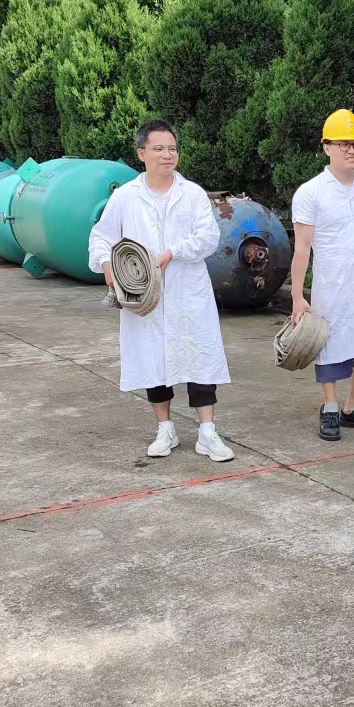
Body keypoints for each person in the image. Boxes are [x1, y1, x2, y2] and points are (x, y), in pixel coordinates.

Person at [88, 119, 235, 462]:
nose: (167, 155)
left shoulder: (192, 194)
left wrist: (173, 252)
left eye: (172, 148)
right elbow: (101, 236)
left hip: (188, 291)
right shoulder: (126, 197)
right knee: (152, 359)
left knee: (199, 358)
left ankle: (207, 433)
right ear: (141, 153)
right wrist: (107, 264)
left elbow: (208, 237)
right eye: (158, 148)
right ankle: (165, 429)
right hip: (143, 295)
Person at [290, 109, 354, 441]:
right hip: (332, 287)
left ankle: (351, 408)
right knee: (331, 350)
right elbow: (302, 249)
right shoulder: (310, 193)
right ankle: (330, 408)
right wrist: (297, 296)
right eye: (343, 144)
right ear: (326, 147)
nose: (352, 150)